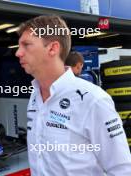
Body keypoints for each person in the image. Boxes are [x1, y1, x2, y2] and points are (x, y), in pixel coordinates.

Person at [15, 15, 131, 176]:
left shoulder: (93, 99)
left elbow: (122, 170)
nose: (18, 53)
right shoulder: (35, 94)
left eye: (26, 45)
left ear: (53, 48)